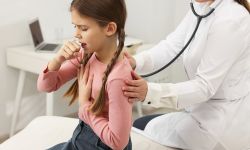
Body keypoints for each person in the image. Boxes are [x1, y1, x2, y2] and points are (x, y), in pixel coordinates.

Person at [122, 0, 250, 150]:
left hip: (221, 124)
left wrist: (149, 92)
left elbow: (204, 86)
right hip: (198, 111)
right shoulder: (200, 6)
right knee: (141, 126)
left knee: (141, 128)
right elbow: (172, 47)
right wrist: (136, 61)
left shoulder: (232, 19)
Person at [37, 0, 133, 149]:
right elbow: (46, 86)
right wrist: (58, 60)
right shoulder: (86, 56)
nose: (76, 34)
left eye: (83, 28)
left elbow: (117, 142)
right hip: (82, 139)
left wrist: (84, 106)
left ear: (109, 28)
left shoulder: (118, 78)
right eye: (75, 27)